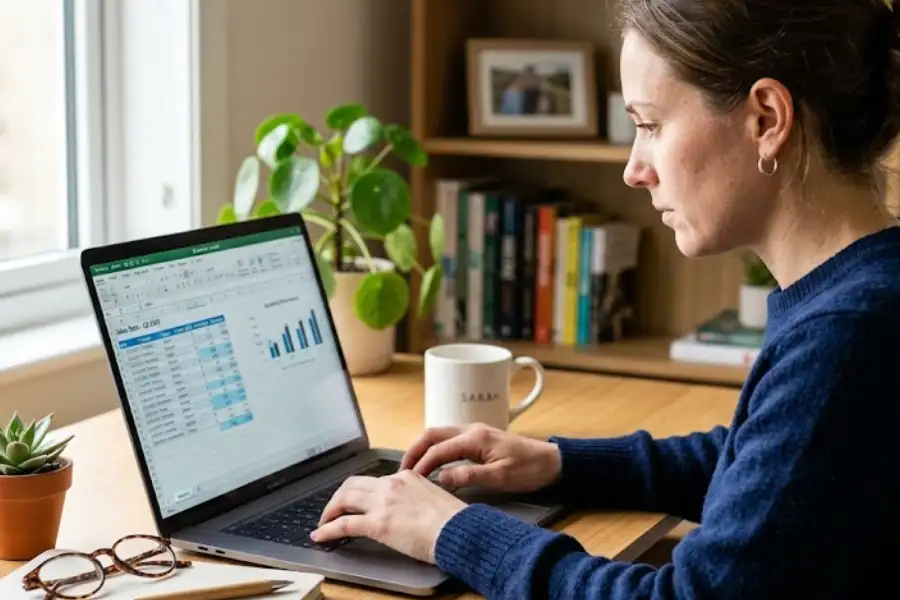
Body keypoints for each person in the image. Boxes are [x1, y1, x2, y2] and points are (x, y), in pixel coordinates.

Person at [311, 0, 900, 597]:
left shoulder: (848, 337)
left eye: (650, 125)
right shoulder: (865, 294)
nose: (634, 169)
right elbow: (766, 466)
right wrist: (559, 463)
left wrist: (453, 530)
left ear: (767, 118)